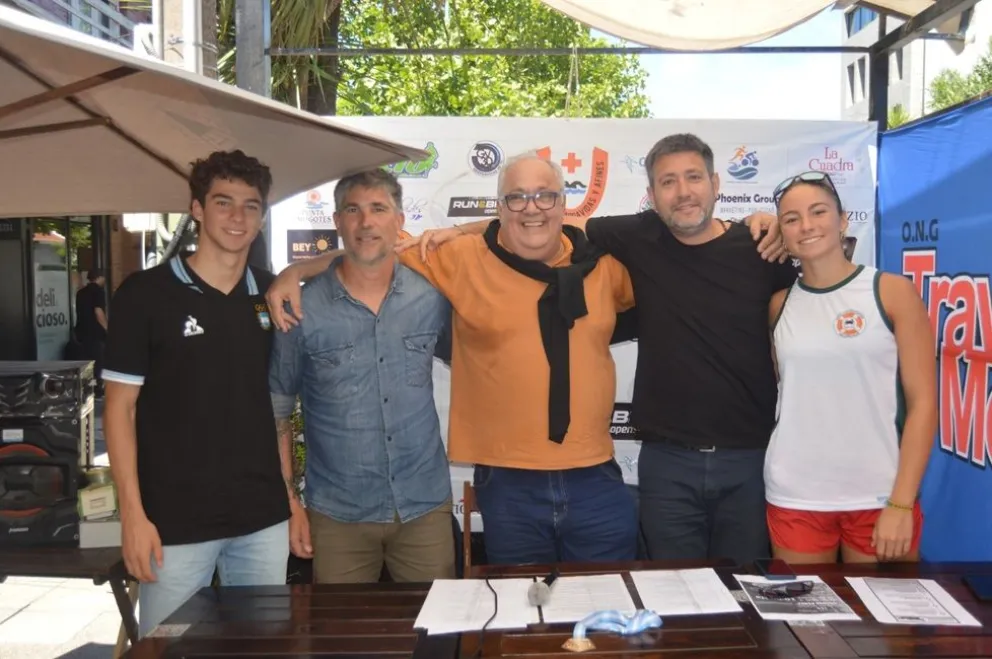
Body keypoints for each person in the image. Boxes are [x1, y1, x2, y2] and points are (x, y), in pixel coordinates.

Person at [403, 134, 792, 567]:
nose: (683, 191)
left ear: (716, 184)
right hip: (555, 476)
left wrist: (769, 222)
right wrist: (459, 229)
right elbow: (382, 252)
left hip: (708, 463)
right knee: (540, 602)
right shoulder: (466, 256)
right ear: (652, 195)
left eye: (694, 178)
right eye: (668, 181)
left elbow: (810, 287)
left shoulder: (751, 250)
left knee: (726, 590)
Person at [267, 153, 640, 565]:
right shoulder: (459, 257)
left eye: (545, 196)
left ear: (563, 203)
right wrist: (296, 271)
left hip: (595, 476)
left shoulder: (605, 266)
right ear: (499, 207)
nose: (532, 208)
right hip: (508, 483)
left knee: (606, 599)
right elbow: (371, 248)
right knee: (519, 602)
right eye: (516, 197)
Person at [102, 150, 302, 636]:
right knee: (169, 648)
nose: (238, 217)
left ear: (263, 216)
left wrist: (290, 501)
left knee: (262, 649)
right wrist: (132, 516)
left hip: (261, 520)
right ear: (196, 208)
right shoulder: (145, 294)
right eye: (223, 202)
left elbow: (274, 409)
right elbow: (119, 411)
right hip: (174, 523)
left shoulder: (269, 295)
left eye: (251, 206)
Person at [269, 169, 455, 583]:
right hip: (338, 516)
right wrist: (290, 503)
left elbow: (476, 362)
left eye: (378, 209)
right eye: (353, 210)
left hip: (424, 508)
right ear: (337, 221)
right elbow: (278, 411)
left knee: (435, 624)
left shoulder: (432, 295)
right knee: (342, 625)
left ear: (399, 220)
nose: (366, 222)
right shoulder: (300, 308)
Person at [764, 171, 936, 564]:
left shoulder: (891, 291)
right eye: (791, 219)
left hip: (881, 496)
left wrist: (902, 502)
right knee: (807, 608)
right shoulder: (778, 305)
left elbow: (924, 404)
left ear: (843, 220)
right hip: (796, 495)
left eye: (818, 212)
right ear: (782, 234)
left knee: (884, 607)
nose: (807, 225)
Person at [73, 268, 108, 394]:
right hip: (95, 333)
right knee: (98, 362)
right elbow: (98, 312)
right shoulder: (98, 291)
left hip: (82, 332)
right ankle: (97, 389)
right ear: (99, 277)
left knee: (87, 363)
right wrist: (107, 328)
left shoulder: (80, 293)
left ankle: (87, 388)